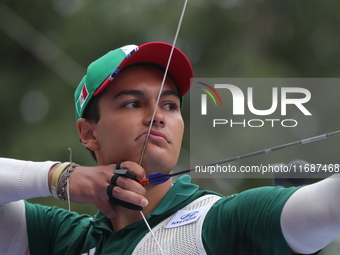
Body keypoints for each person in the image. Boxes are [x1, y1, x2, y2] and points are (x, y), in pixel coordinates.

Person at [1, 41, 340, 255]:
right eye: (133, 104)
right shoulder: (62, 239)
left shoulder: (221, 222)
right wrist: (60, 177)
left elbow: (329, 206)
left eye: (170, 105)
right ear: (88, 133)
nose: (157, 117)